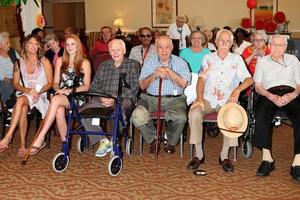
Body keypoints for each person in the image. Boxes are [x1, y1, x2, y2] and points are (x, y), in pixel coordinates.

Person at [187, 29, 253, 172]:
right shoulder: (208, 58)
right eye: (221, 40)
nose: (224, 43)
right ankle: (198, 154)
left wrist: (237, 90)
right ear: (215, 42)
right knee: (194, 112)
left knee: (232, 117)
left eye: (227, 41)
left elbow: (249, 80)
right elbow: (201, 80)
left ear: (231, 44)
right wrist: (199, 99)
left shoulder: (237, 59)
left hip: (228, 101)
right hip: (208, 98)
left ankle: (224, 156)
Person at [28, 34, 91, 155]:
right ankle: (65, 142)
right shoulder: (60, 61)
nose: (70, 47)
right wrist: (59, 89)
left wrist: (68, 91)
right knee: (59, 110)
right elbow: (55, 83)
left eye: (73, 44)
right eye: (67, 44)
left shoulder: (85, 62)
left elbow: (86, 86)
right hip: (62, 95)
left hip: (78, 96)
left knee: (56, 100)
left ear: (78, 46)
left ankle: (40, 138)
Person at [80, 39, 140, 157]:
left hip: (124, 99)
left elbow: (134, 87)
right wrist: (102, 98)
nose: (115, 52)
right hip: (103, 98)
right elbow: (94, 86)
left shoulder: (133, 64)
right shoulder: (104, 65)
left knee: (118, 111)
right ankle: (103, 140)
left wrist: (116, 98)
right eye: (112, 50)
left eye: (118, 50)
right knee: (82, 111)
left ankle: (114, 140)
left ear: (124, 51)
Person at [131, 36, 191, 154]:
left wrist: (170, 72)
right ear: (156, 48)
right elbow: (142, 85)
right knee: (137, 116)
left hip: (175, 100)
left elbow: (184, 84)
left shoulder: (181, 62)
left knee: (181, 118)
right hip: (150, 99)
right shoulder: (149, 62)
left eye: (167, 47)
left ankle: (169, 138)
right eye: (160, 47)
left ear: (172, 47)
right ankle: (154, 138)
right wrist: (155, 74)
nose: (164, 51)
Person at [253, 34, 300, 182]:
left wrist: (293, 95)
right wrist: (270, 96)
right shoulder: (262, 61)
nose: (277, 48)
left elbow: (299, 84)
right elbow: (258, 86)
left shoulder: (293, 60)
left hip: (291, 93)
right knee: (260, 116)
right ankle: (267, 159)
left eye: (281, 45)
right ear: (269, 46)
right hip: (269, 93)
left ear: (286, 47)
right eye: (274, 45)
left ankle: (298, 161)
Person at [0, 34, 53, 156]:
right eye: (31, 43)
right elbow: (15, 84)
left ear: (39, 46)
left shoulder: (44, 61)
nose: (34, 46)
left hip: (40, 94)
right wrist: (28, 90)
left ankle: (8, 136)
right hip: (25, 93)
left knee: (21, 100)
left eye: (36, 44)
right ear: (25, 45)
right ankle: (22, 146)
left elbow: (50, 83)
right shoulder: (18, 62)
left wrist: (37, 91)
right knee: (22, 106)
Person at [180, 30, 211, 105]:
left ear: (202, 40)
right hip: (188, 80)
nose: (196, 40)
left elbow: (210, 70)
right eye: (193, 38)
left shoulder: (208, 53)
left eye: (199, 38)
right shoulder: (184, 52)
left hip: (203, 81)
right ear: (190, 39)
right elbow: (179, 69)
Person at [0, 31, 20, 103]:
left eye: (9, 42)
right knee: (7, 87)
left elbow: (20, 63)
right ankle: (9, 106)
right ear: (0, 45)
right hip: (4, 79)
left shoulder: (13, 51)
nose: (10, 44)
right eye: (7, 43)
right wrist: (3, 78)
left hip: (16, 77)